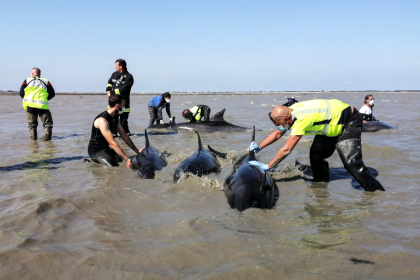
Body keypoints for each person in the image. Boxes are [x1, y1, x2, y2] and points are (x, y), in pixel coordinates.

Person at [248, 99, 385, 192]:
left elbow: (287, 148)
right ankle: (321, 185)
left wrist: (268, 166)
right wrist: (259, 146)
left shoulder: (302, 119)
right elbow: (278, 133)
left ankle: (376, 192)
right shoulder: (290, 111)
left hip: (348, 120)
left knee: (351, 163)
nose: (282, 127)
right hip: (329, 124)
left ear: (287, 118)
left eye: (282, 124)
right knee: (316, 156)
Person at [88, 94, 142, 169]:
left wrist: (137, 151)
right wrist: (127, 159)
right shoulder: (102, 120)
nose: (124, 108)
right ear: (117, 106)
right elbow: (112, 143)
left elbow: (124, 136)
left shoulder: (115, 118)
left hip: (106, 149)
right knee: (114, 167)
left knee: (120, 160)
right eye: (123, 106)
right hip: (96, 151)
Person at [19, 67, 55, 141]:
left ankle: (33, 143)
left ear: (32, 73)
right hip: (42, 106)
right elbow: (52, 93)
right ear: (39, 74)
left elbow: (21, 93)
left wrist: (28, 98)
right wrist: (45, 98)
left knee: (32, 126)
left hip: (30, 106)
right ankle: (46, 142)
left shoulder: (27, 80)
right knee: (47, 124)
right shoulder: (45, 81)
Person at [106, 59, 134, 136]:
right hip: (113, 101)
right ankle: (114, 134)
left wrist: (111, 92)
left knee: (123, 120)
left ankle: (126, 134)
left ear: (121, 66)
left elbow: (124, 90)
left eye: (116, 65)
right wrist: (108, 90)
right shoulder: (114, 74)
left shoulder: (129, 77)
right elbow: (109, 83)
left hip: (124, 101)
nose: (115, 67)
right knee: (112, 118)